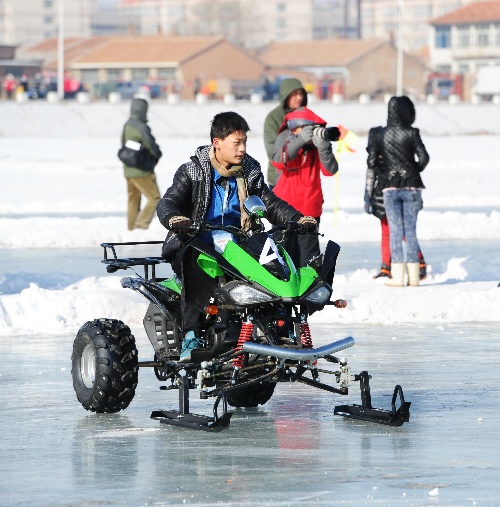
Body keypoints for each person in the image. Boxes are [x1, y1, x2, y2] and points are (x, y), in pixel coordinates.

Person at [157, 111, 316, 362]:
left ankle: (278, 331)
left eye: (244, 142)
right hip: (196, 240)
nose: (242, 149)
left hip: (237, 242)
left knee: (273, 266)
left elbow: (270, 203)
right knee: (198, 266)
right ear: (217, 143)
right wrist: (176, 219)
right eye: (236, 143)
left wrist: (296, 218)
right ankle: (191, 334)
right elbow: (169, 202)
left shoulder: (249, 170)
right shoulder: (193, 171)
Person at [367, 96, 429, 287]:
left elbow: (371, 162)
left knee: (395, 231)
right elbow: (424, 158)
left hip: (389, 187)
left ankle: (398, 277)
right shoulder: (412, 132)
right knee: (410, 231)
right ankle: (414, 278)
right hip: (412, 186)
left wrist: (386, 169)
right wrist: (412, 170)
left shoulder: (379, 134)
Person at [271, 106, 339, 268]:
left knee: (309, 258)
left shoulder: (316, 146)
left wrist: (323, 147)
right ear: (295, 128)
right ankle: (282, 290)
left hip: (309, 209)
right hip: (283, 208)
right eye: (306, 128)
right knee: (283, 254)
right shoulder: (284, 137)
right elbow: (278, 161)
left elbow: (331, 171)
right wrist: (299, 141)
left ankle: (310, 291)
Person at [120, 97, 162, 230]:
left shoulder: (127, 124)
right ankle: (141, 226)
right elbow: (151, 145)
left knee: (133, 198)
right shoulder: (142, 127)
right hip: (142, 170)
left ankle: (131, 228)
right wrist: (157, 155)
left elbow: (123, 143)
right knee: (154, 197)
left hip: (128, 168)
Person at [263, 78, 307, 188]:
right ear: (285, 95)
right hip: (280, 176)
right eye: (295, 94)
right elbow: (272, 151)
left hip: (303, 176)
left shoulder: (306, 116)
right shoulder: (273, 117)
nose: (299, 97)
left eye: (301, 94)